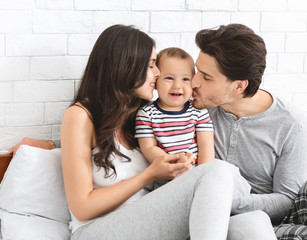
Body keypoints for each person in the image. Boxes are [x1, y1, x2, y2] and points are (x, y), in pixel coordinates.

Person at [44, 24, 239, 240]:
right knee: (216, 171)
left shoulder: (138, 114)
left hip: (144, 220)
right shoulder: (81, 115)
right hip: (97, 230)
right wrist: (149, 175)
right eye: (151, 65)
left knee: (249, 221)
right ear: (124, 67)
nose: (157, 74)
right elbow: (82, 207)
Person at [191, 23, 307, 239]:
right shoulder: (193, 109)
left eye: (206, 77)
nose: (194, 82)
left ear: (239, 86)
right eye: (197, 70)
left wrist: (225, 197)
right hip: (228, 223)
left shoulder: (291, 125)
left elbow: (287, 200)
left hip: (278, 224)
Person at [135, 48, 216, 189]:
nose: (177, 86)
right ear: (156, 82)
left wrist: (203, 177)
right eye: (169, 78)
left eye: (185, 79)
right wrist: (174, 162)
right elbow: (149, 147)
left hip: (197, 177)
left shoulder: (198, 111)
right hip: (166, 182)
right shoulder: (146, 114)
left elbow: (206, 146)